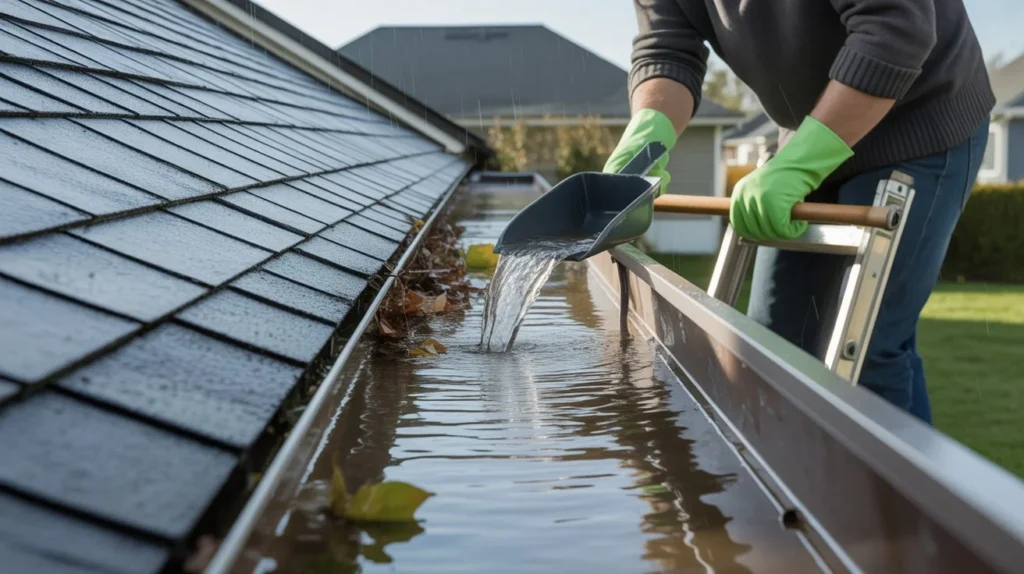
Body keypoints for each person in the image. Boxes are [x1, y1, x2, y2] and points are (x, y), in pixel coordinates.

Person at [604, 0, 995, 424]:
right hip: (806, 127)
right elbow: (668, 49)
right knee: (776, 348)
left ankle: (891, 469)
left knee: (867, 351)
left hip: (919, 120)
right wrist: (648, 136)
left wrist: (798, 165)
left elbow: (897, 30)